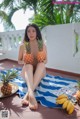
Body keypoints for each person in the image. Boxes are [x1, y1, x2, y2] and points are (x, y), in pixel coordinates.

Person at [18, 24, 47, 110]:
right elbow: (19, 60)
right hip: (27, 71)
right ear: (26, 33)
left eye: (33, 31)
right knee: (28, 65)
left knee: (41, 64)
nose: (31, 33)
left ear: (37, 32)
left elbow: (46, 60)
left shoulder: (42, 45)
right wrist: (26, 60)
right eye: (28, 31)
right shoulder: (23, 45)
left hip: (40, 70)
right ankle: (31, 95)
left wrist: (41, 60)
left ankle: (28, 94)